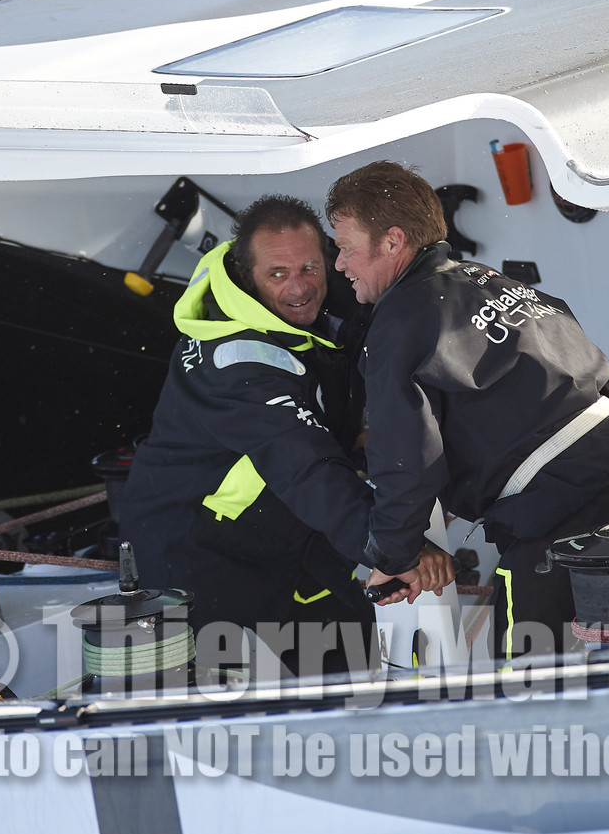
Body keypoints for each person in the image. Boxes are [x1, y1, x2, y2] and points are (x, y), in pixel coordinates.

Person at [326, 161, 609, 658]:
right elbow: (602, 379)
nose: (339, 264)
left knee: (527, 697)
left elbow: (406, 461)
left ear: (392, 241)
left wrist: (393, 555)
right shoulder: (493, 281)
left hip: (562, 521)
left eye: (344, 246)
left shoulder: (400, 320)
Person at [119, 195, 448, 675]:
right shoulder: (237, 363)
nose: (299, 288)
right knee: (205, 710)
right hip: (192, 548)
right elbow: (304, 463)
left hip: (293, 530)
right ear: (246, 273)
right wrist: (396, 548)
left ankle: (342, 738)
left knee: (348, 674)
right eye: (277, 274)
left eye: (310, 268)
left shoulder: (322, 302)